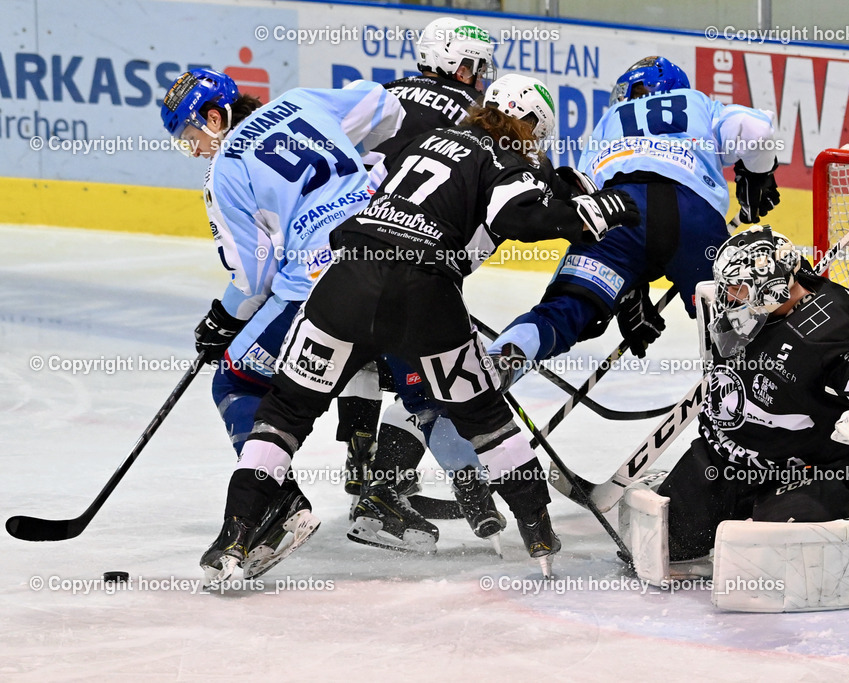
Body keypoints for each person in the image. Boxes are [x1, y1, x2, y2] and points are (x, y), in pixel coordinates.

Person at [199, 73, 641, 583]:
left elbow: (375, 179)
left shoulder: (420, 139)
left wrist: (559, 188)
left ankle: (234, 536)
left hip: (345, 280)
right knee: (486, 417)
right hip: (424, 296)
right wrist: (595, 214)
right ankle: (539, 536)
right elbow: (520, 215)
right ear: (528, 125)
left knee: (284, 413)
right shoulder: (504, 160)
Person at [159, 68, 404, 578]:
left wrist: (222, 319)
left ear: (214, 117)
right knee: (424, 379)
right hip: (397, 259)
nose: (196, 150)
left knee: (236, 378)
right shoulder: (304, 101)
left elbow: (254, 274)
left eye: (190, 137)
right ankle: (490, 491)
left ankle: (279, 505)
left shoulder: (225, 166)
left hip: (320, 286)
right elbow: (385, 106)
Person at [486, 55, 782, 386]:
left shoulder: (610, 117)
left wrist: (628, 286)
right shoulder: (698, 103)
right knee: (735, 325)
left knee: (563, 311)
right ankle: (757, 400)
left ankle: (498, 364)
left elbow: (587, 196)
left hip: (618, 210)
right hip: (692, 214)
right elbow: (758, 130)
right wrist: (757, 176)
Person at [330, 16, 512, 547]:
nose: (480, 78)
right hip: (406, 254)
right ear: (457, 64)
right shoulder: (472, 119)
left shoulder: (380, 94)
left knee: (360, 355)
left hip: (339, 244)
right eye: (476, 67)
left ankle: (370, 466)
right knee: (428, 368)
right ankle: (391, 490)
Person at [654, 225, 849, 563]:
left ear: (770, 289)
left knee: (774, 562)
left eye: (737, 289)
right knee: (661, 543)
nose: (727, 298)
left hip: (807, 472)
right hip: (723, 460)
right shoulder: (747, 314)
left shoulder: (830, 324)